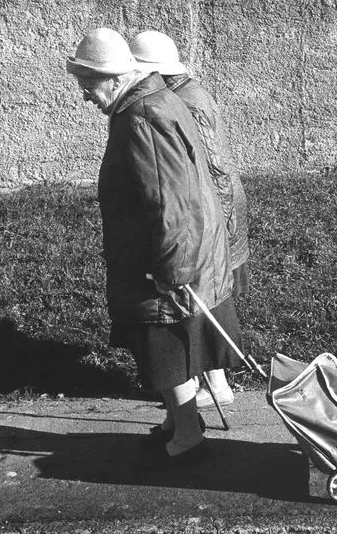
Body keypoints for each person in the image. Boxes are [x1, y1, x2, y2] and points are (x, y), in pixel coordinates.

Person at [65, 28, 242, 468]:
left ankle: (187, 434)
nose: (84, 94)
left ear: (112, 77)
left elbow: (172, 203)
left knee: (166, 348)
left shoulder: (141, 115)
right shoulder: (146, 103)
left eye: (87, 82)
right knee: (162, 346)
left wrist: (174, 271)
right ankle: (178, 424)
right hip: (155, 258)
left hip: (161, 264)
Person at [128, 30, 250, 410]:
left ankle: (214, 383)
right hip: (220, 206)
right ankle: (209, 381)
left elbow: (208, 168)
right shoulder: (189, 93)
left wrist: (214, 224)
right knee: (205, 296)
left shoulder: (183, 101)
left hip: (215, 208)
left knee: (204, 296)